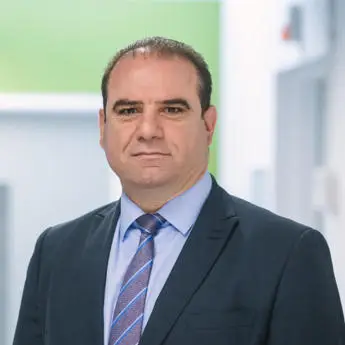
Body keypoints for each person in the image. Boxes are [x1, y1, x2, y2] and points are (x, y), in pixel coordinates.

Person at [13, 36, 344, 345]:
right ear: (103, 127)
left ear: (208, 124)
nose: (148, 130)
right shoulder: (56, 252)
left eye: (172, 110)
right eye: (128, 111)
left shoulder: (287, 254)